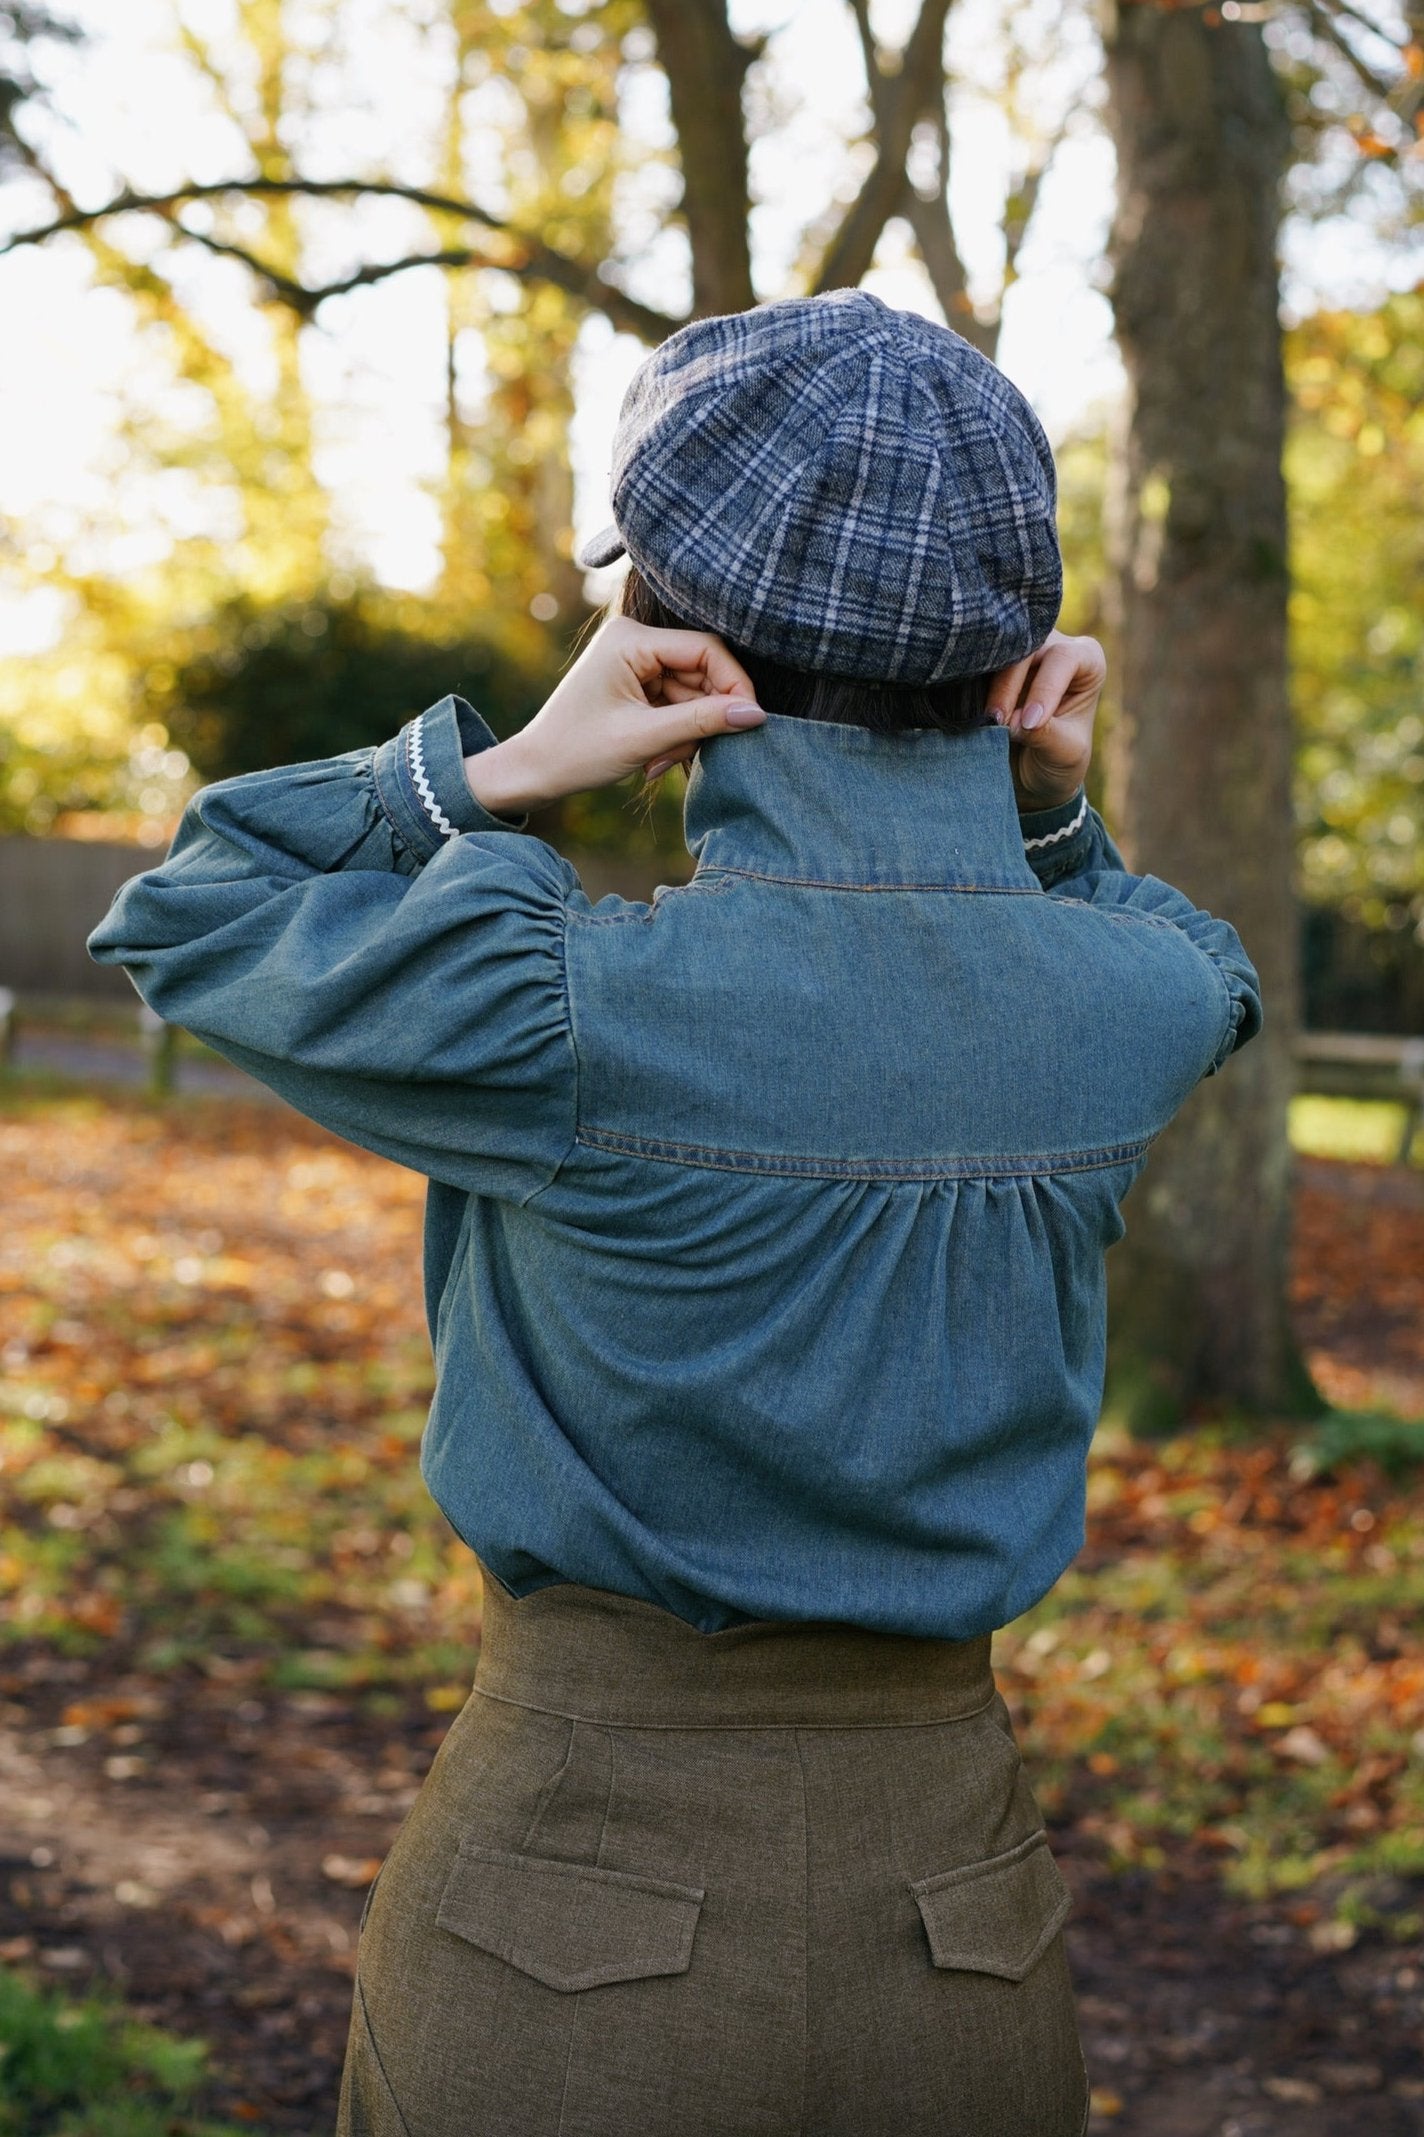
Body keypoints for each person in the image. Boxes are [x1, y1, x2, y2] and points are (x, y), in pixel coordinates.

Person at [88, 289, 1261, 2137]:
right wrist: (1046, 821)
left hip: (570, 1905)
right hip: (963, 1939)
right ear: (1013, 655)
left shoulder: (567, 1001)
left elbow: (194, 905)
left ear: (667, 628)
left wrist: (493, 770)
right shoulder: (1122, 1012)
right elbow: (1204, 961)